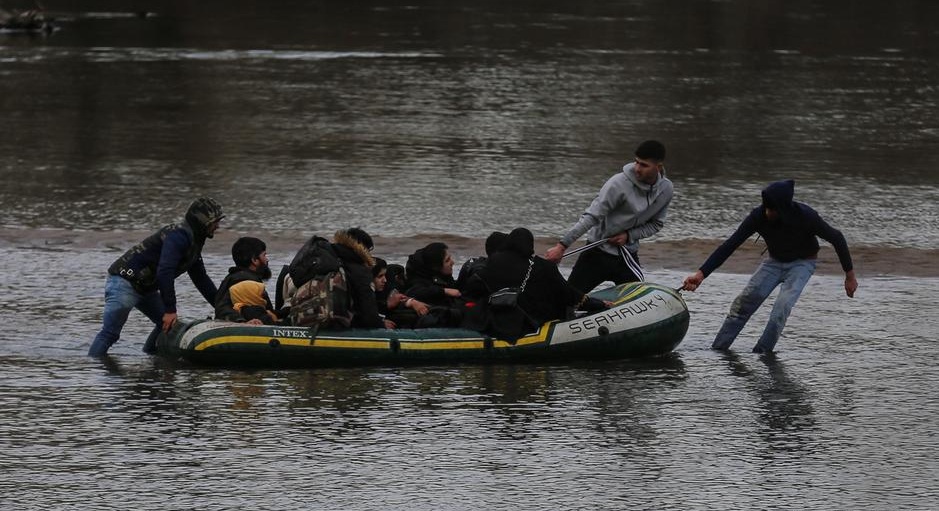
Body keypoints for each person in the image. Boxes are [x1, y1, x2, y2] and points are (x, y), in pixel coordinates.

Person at [681, 179, 858, 353]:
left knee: (780, 309)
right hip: (774, 263)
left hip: (802, 264)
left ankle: (763, 353)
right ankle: (719, 350)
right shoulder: (758, 216)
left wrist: (849, 276)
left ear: (784, 209)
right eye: (766, 207)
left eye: (772, 209)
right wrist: (701, 274)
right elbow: (730, 244)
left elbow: (837, 238)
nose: (768, 213)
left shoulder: (806, 216)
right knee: (742, 305)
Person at [89, 197, 223, 356]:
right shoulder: (178, 236)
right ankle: (94, 366)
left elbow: (201, 280)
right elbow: (165, 271)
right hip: (124, 283)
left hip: (145, 288)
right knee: (110, 333)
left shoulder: (193, 242)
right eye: (215, 221)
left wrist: (222, 309)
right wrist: (170, 310)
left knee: (167, 325)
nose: (218, 226)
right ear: (203, 222)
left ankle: (150, 356)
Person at [544, 140, 673, 293]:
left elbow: (656, 224)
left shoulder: (666, 189)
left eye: (644, 165)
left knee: (637, 298)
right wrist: (561, 247)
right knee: (567, 300)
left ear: (658, 167)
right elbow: (591, 217)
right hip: (596, 253)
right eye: (636, 162)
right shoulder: (618, 184)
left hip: (627, 256)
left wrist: (629, 235)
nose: (637, 168)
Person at [464, 227, 610, 340]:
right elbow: (569, 294)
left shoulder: (491, 264)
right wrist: (599, 304)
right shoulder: (543, 266)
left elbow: (473, 288)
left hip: (504, 318)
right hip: (534, 320)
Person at [215, 236, 281, 325]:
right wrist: (241, 321)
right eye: (264, 255)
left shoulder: (232, 277)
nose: (267, 259)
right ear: (254, 260)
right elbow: (223, 307)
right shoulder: (245, 280)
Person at [372, 257, 429, 329]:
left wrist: (410, 302)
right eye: (380, 276)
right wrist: (380, 321)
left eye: (384, 276)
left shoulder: (385, 287)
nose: (385, 280)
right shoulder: (361, 295)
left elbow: (397, 298)